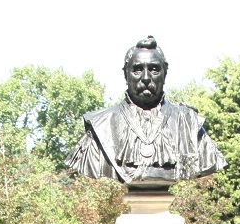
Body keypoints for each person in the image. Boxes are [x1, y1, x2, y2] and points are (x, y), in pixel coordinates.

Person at [66, 36, 225, 187]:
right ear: (125, 74)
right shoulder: (100, 125)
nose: (146, 77)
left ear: (165, 72)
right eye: (137, 70)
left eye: (154, 69)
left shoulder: (189, 123)